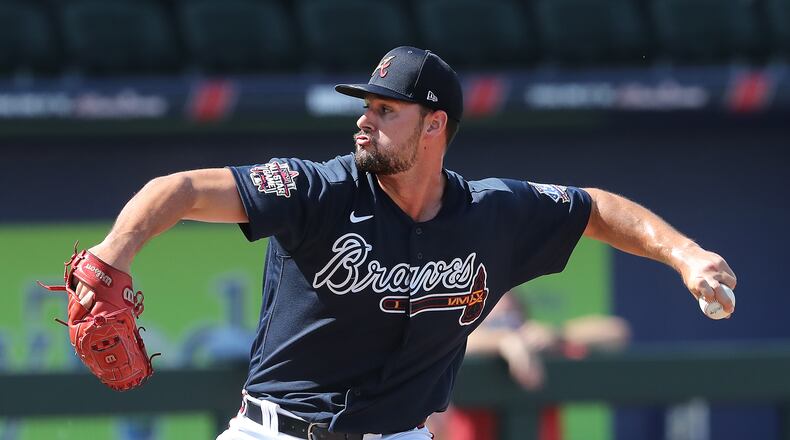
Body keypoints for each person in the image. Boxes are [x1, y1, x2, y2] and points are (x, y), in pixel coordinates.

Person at [70, 46, 736, 440]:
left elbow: (596, 209)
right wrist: (112, 255)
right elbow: (181, 189)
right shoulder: (316, 189)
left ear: (434, 126)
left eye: (386, 110)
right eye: (366, 106)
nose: (365, 121)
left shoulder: (491, 212)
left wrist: (684, 253)